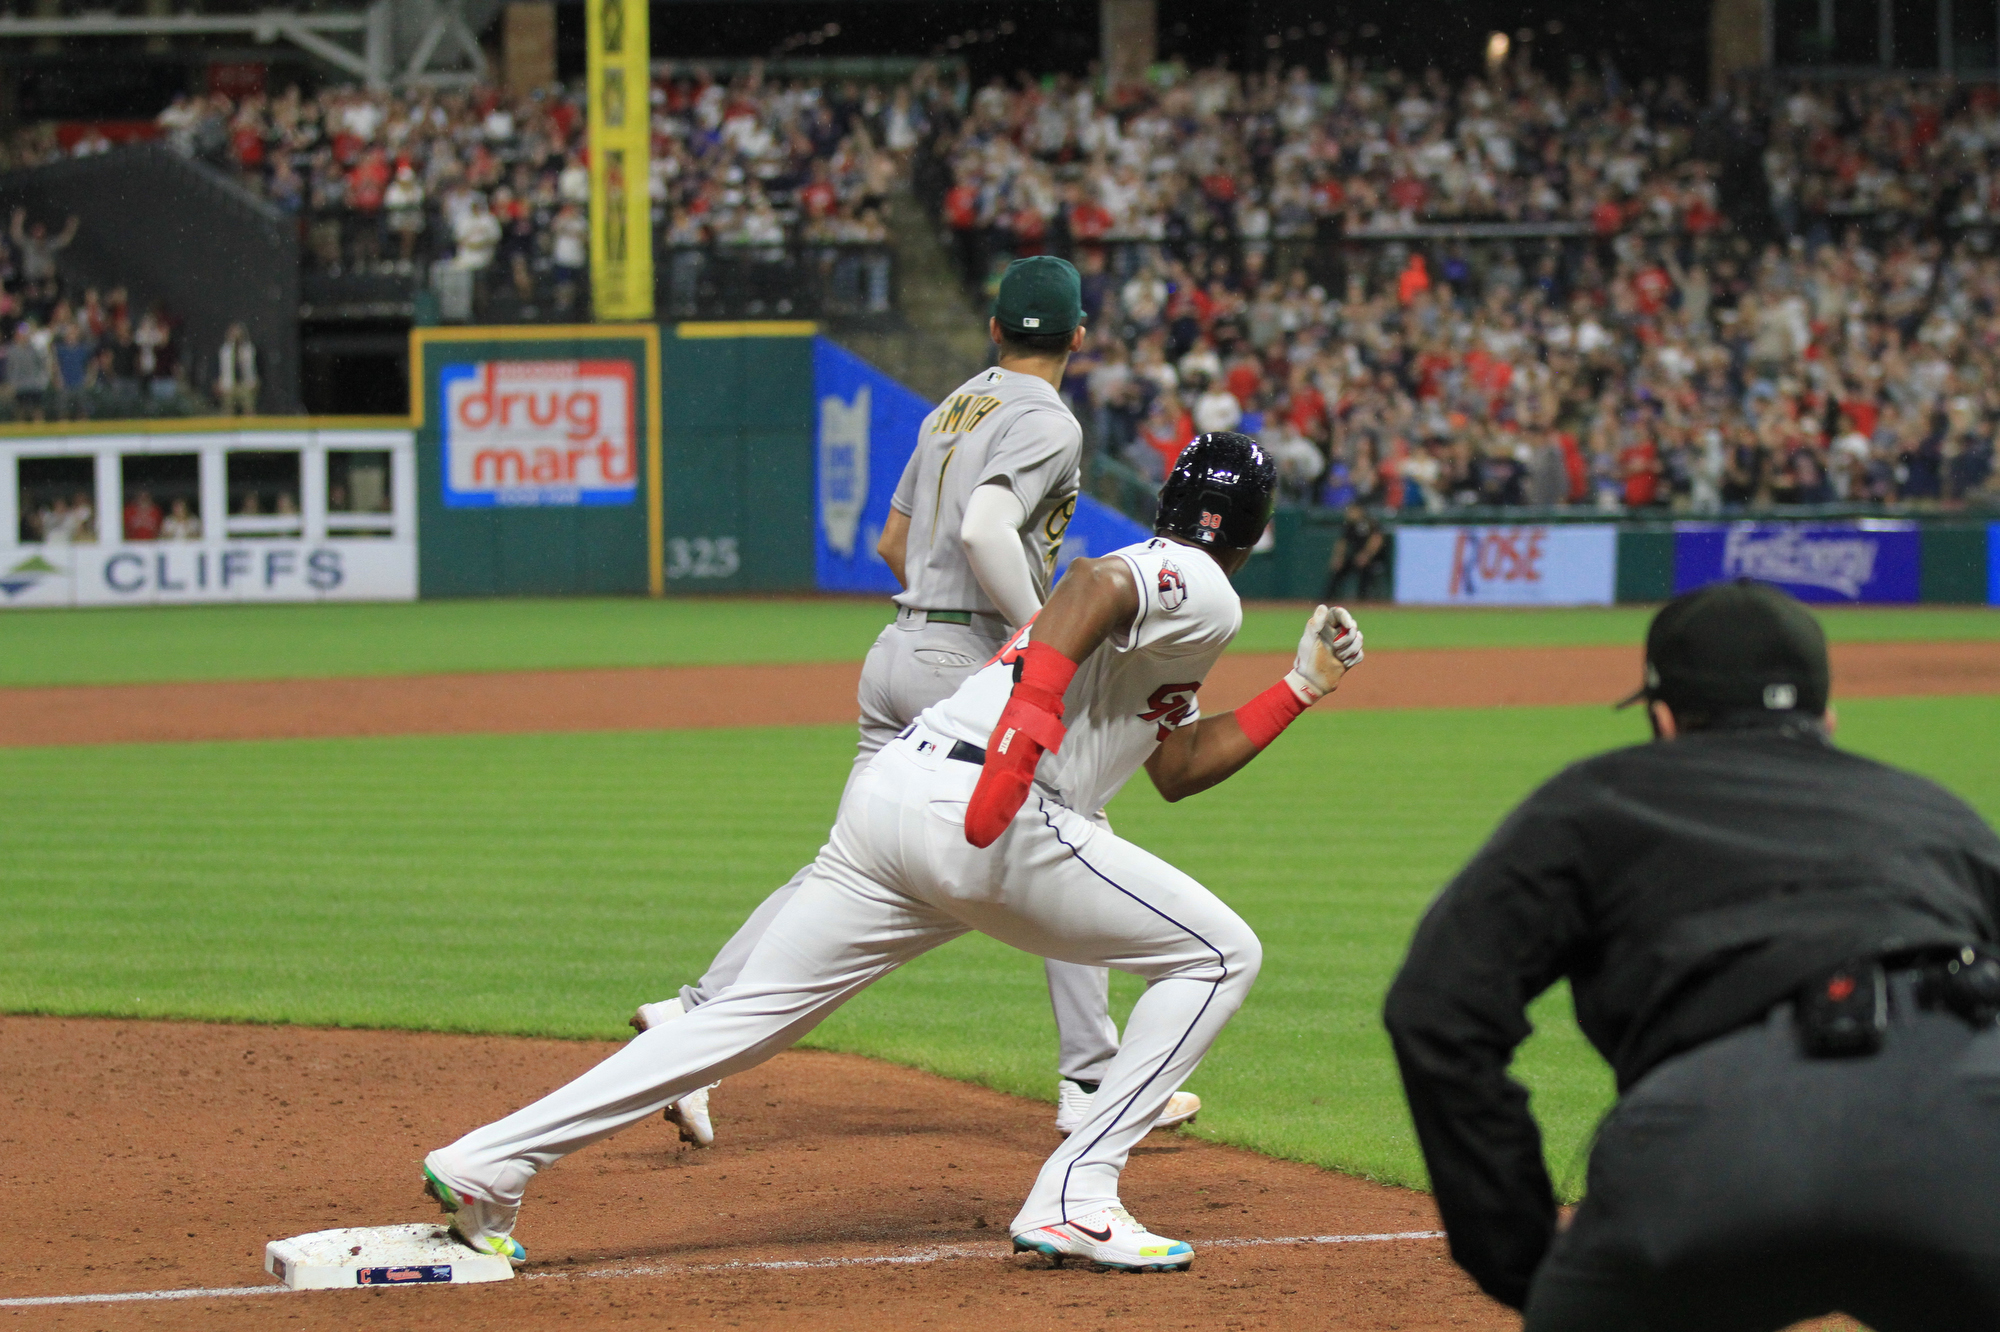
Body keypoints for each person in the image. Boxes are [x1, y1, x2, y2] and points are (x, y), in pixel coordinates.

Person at [421, 432, 1366, 1271]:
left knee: (744, 1018)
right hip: (988, 810)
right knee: (1219, 954)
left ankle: (489, 1162)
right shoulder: (1199, 582)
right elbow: (1088, 584)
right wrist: (1022, 739)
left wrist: (1300, 686)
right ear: (1254, 535)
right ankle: (1079, 1194)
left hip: (897, 799)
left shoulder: (1176, 616)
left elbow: (1180, 764)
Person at [629, 256, 1194, 1148]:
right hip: (964, 657)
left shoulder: (951, 407)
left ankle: (694, 1011)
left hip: (895, 652)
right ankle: (1091, 1078)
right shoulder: (1048, 418)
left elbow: (894, 541)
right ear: (1080, 337)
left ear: (996, 331)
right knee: (1068, 832)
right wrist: (1041, 634)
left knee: (843, 869)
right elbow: (983, 529)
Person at [1384, 580, 2000, 1331]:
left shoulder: (1592, 802)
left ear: (1664, 718)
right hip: (1965, 1133)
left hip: (1714, 1151)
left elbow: (1436, 1009)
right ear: (1826, 717)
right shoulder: (1939, 814)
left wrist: (1523, 1260)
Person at [1322, 500, 1388, 601]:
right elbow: (1342, 542)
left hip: (1372, 559)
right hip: (1355, 557)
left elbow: (1376, 540)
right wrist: (1338, 558)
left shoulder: (1370, 522)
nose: (1349, 513)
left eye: (1352, 510)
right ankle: (1327, 599)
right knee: (1338, 572)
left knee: (1366, 572)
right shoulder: (1349, 525)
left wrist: (1366, 555)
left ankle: (1362, 600)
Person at [215, 324, 258, 415]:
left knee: (249, 408)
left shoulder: (249, 349)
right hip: (229, 384)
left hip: (245, 384)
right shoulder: (224, 350)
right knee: (228, 409)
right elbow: (220, 368)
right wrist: (219, 382)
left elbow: (253, 367)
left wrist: (254, 381)